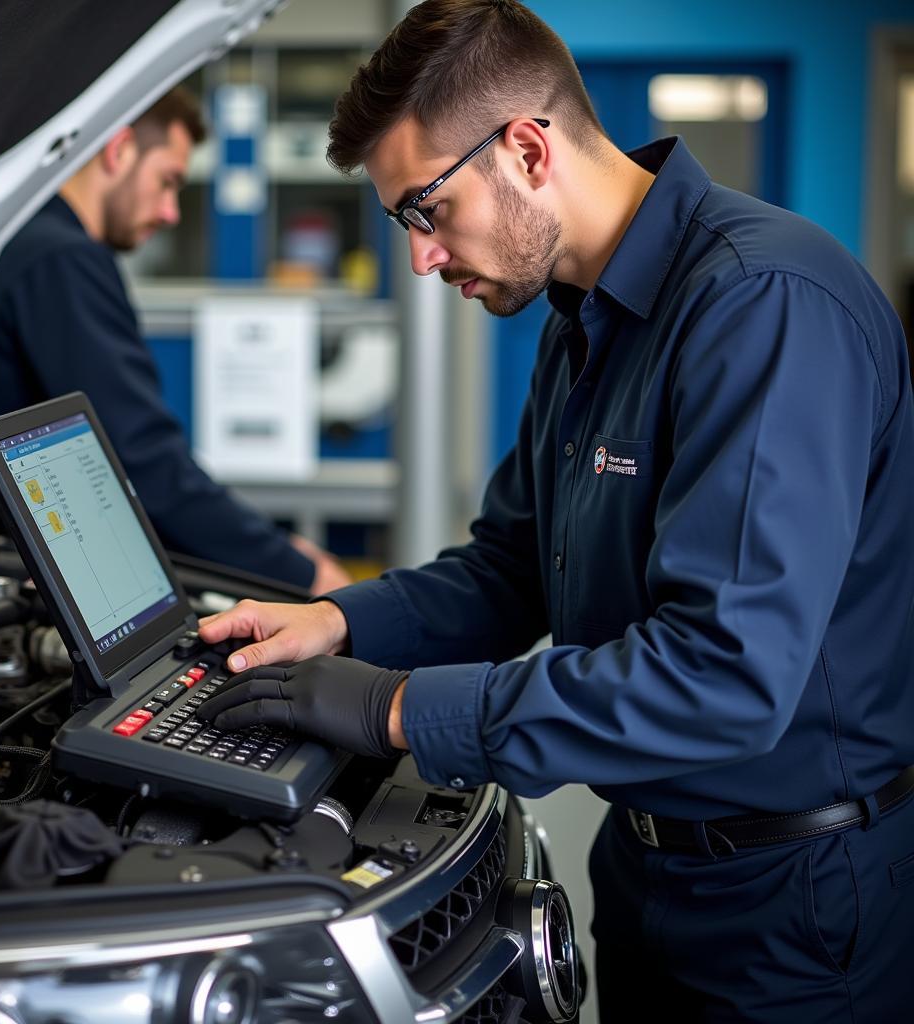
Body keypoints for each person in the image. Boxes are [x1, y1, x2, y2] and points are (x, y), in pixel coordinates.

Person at [195, 2, 914, 1019]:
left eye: (424, 212)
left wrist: (399, 710)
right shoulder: (583, 323)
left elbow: (724, 677)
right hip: (646, 868)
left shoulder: (764, 306)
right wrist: (342, 622)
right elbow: (513, 568)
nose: (421, 258)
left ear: (527, 150)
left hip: (794, 909)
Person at [0, 87, 349, 595]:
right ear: (117, 151)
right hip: (11, 580)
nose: (171, 212)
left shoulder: (7, 242)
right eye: (167, 181)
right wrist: (302, 573)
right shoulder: (61, 259)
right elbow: (144, 463)